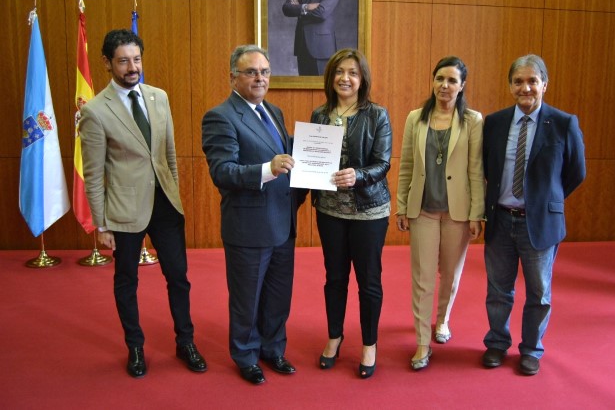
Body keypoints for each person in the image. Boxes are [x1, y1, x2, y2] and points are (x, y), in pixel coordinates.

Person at [79, 29, 207, 378]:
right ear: (107, 63)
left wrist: (176, 196)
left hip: (165, 204)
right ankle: (135, 347)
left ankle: (186, 342)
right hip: (124, 210)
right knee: (126, 281)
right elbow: (93, 174)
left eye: (136, 59)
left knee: (178, 277)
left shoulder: (158, 97)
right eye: (123, 61)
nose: (132, 67)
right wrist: (101, 224)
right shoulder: (95, 112)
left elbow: (168, 154)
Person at [482, 54, 586, 375]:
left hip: (539, 223)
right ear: (510, 85)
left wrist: (546, 202)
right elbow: (487, 167)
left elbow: (575, 173)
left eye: (532, 81)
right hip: (501, 220)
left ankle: (531, 349)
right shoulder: (495, 123)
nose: (525, 87)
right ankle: (497, 343)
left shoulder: (564, 123)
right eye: (518, 81)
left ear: (544, 84)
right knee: (498, 290)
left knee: (539, 292)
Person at [201, 45, 299, 385]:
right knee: (246, 298)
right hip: (248, 227)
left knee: (277, 296)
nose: (260, 78)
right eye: (251, 72)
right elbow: (223, 172)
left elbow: (288, 156)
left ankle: (273, 349)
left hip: (282, 223)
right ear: (232, 78)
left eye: (265, 72)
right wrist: (266, 169)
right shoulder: (221, 116)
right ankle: (246, 354)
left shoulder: (274, 111)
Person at [396, 56, 484, 370]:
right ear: (432, 81)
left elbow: (476, 170)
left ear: (462, 87)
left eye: (451, 81)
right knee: (422, 278)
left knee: (450, 274)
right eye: (439, 79)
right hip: (423, 210)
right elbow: (406, 165)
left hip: (457, 212)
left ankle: (442, 319)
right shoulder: (415, 118)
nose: (444, 86)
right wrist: (402, 206)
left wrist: (477, 214)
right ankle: (422, 342)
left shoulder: (473, 121)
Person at [310, 48, 392, 379]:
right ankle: (334, 336)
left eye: (353, 73)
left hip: (369, 210)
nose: (346, 78)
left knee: (369, 281)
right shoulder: (319, 114)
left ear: (362, 80)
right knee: (335, 278)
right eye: (339, 72)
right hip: (329, 210)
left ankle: (369, 344)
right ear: (330, 78)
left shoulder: (377, 115)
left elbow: (383, 163)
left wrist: (357, 175)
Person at [282, 0, 340, 76]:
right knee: (304, 86)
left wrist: (299, 9)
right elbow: (286, 8)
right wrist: (306, 7)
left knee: (322, 86)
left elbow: (322, 13)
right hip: (302, 45)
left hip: (322, 48)